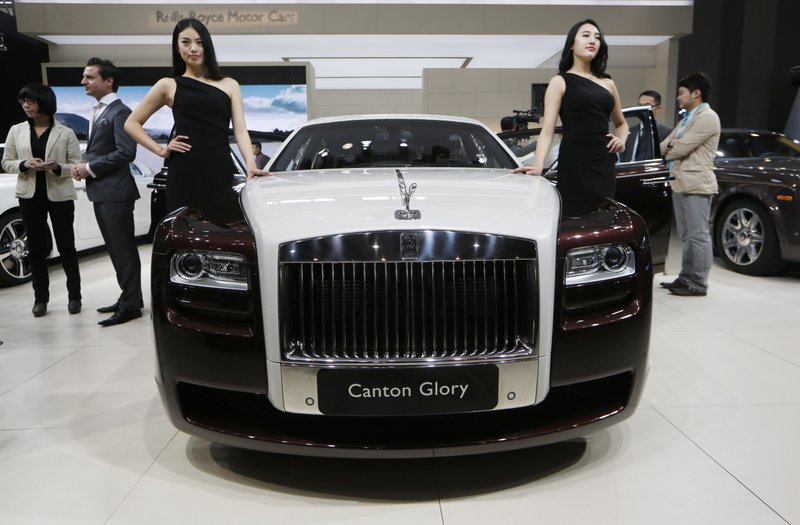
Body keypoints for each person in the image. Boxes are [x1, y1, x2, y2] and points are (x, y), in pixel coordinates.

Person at [124, 17, 269, 214]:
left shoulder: (229, 84)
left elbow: (240, 131)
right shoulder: (168, 85)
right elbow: (131, 123)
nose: (193, 48)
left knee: (222, 229)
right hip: (184, 168)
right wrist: (160, 151)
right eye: (186, 42)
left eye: (199, 42)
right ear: (177, 47)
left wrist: (250, 164)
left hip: (220, 167)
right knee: (184, 230)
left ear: (208, 45)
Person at [512, 19, 628, 199]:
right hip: (574, 159)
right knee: (575, 216)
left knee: (603, 216)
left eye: (597, 37)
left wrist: (621, 141)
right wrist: (539, 163)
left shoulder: (608, 83)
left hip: (604, 161)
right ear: (572, 44)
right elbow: (548, 129)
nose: (592, 41)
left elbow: (622, 124)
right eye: (586, 35)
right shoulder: (559, 82)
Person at [71, 57, 143, 326]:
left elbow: (127, 152)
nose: (83, 82)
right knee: (116, 248)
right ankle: (130, 296)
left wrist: (89, 168)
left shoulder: (119, 111)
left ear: (108, 81)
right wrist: (84, 165)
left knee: (122, 249)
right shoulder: (99, 110)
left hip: (116, 192)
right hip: (105, 191)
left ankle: (131, 304)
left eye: (89, 77)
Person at [2, 83, 82, 317]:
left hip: (60, 195)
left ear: (45, 102)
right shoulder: (16, 130)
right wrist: (24, 164)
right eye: (23, 101)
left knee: (67, 247)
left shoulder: (65, 132)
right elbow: (7, 162)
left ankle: (75, 297)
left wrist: (58, 167)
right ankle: (41, 299)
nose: (26, 105)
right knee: (35, 249)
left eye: (31, 101)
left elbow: (76, 164)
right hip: (29, 196)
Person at [659, 72, 720, 297]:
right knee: (686, 236)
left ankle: (699, 283)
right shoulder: (686, 119)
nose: (678, 97)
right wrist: (673, 143)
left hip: (697, 184)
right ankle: (685, 278)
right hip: (681, 182)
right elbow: (664, 145)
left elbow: (681, 148)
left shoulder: (707, 117)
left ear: (697, 93)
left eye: (681, 93)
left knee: (699, 235)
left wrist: (675, 144)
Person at [625, 90, 673, 161]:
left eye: (647, 106)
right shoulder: (629, 131)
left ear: (658, 109)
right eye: (640, 106)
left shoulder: (667, 132)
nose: (641, 109)